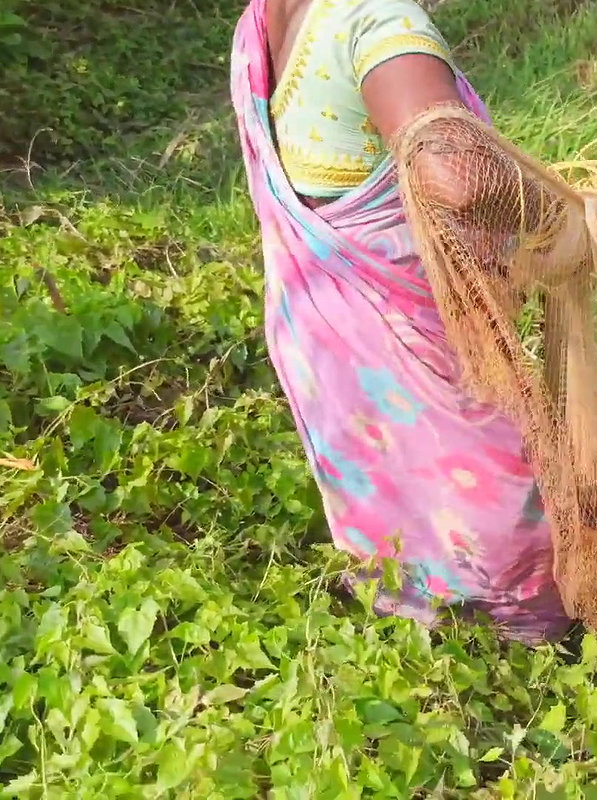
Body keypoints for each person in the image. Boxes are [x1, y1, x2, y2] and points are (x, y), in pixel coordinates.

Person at [230, 0, 572, 643]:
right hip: (404, 339)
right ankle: (530, 647)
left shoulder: (263, 18)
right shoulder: (378, 19)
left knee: (389, 480)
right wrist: (564, 212)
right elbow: (456, 179)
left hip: (322, 329)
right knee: (498, 497)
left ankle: (414, 629)